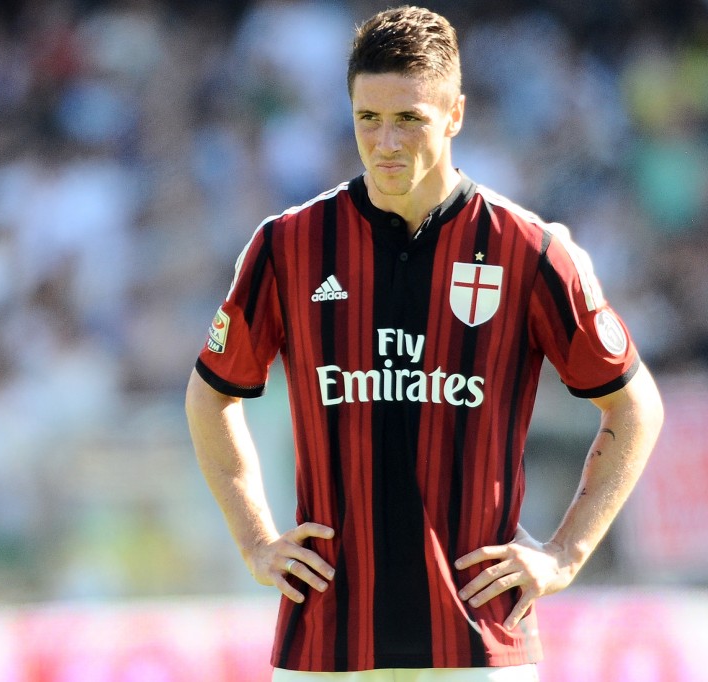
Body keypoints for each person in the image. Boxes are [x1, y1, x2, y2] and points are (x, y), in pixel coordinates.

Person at [184, 6, 664, 681]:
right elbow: (210, 397)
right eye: (367, 119)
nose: (385, 142)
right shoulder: (289, 245)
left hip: (476, 647)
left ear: (456, 113)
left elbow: (635, 406)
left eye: (409, 119)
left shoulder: (528, 251)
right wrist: (256, 540)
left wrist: (564, 554)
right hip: (327, 645)